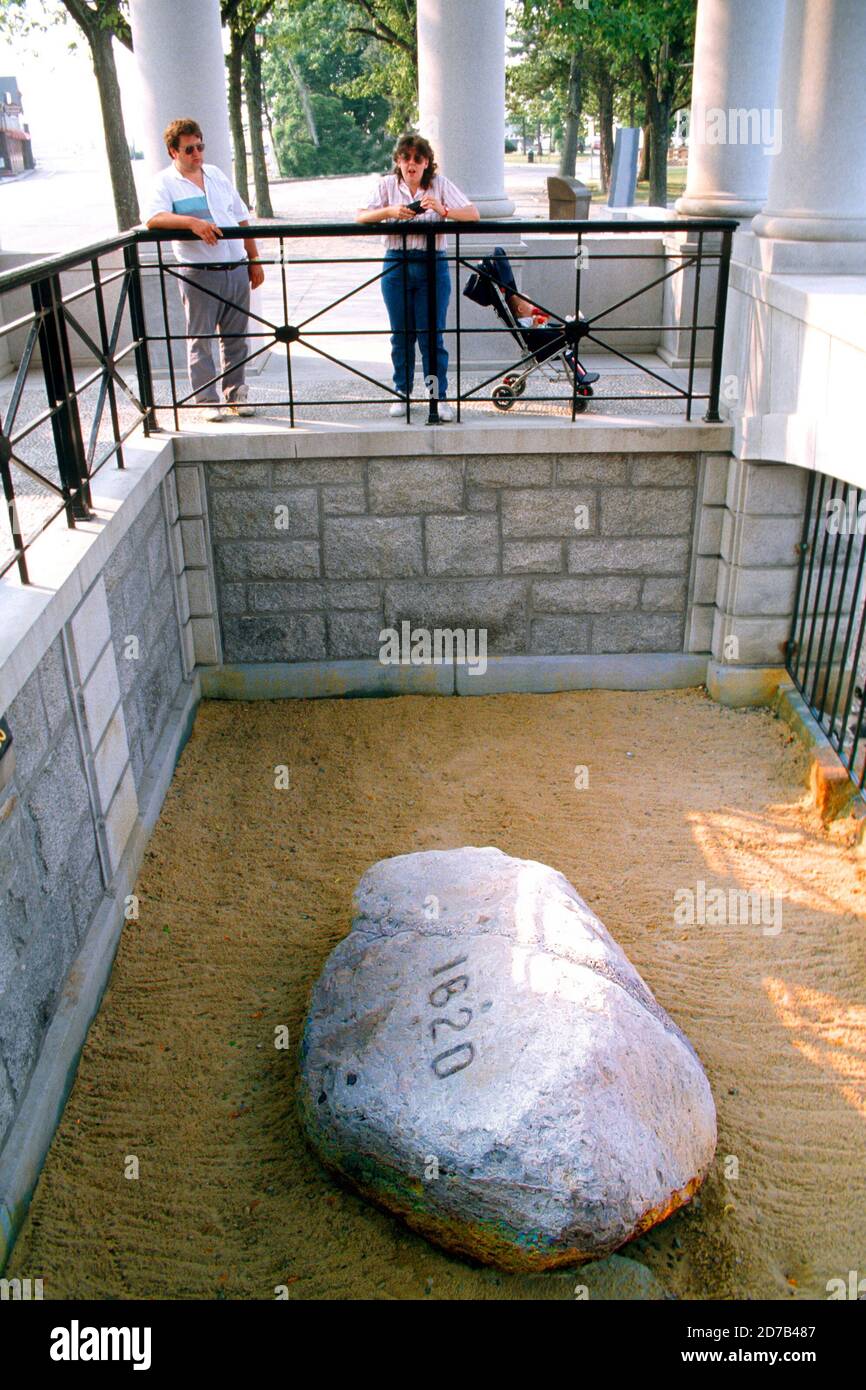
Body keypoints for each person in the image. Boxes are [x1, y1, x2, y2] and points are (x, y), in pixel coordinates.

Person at [144, 118, 265, 422]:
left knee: (236, 335)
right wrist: (191, 223)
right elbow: (154, 218)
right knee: (201, 338)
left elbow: (240, 216)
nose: (197, 154)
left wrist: (253, 258)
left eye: (200, 146)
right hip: (199, 271)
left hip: (234, 267)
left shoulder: (215, 174)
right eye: (189, 149)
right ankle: (206, 399)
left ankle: (236, 392)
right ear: (174, 152)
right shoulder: (164, 182)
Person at [357, 134, 479, 420]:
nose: (411, 164)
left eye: (417, 159)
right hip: (396, 264)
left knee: (432, 336)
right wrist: (390, 212)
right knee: (401, 334)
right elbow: (361, 215)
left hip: (432, 264)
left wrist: (443, 209)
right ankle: (402, 392)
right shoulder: (386, 185)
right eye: (406, 158)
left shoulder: (439, 185)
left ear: (427, 163)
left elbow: (473, 213)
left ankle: (438, 396)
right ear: (398, 161)